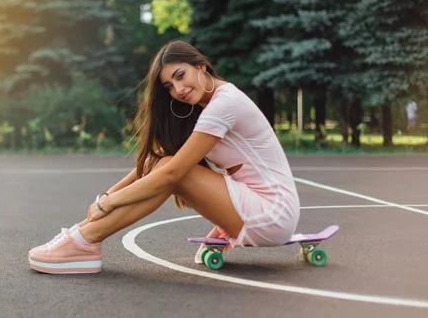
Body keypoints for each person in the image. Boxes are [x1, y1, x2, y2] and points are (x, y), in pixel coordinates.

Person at [28, 40, 300, 274]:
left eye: (181, 76)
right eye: (169, 86)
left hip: (272, 213)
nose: (178, 90)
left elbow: (172, 174)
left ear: (201, 66)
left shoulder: (224, 104)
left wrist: (111, 202)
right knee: (162, 162)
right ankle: (82, 236)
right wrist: (103, 200)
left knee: (172, 171)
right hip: (257, 207)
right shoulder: (204, 106)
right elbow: (153, 163)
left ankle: (84, 243)